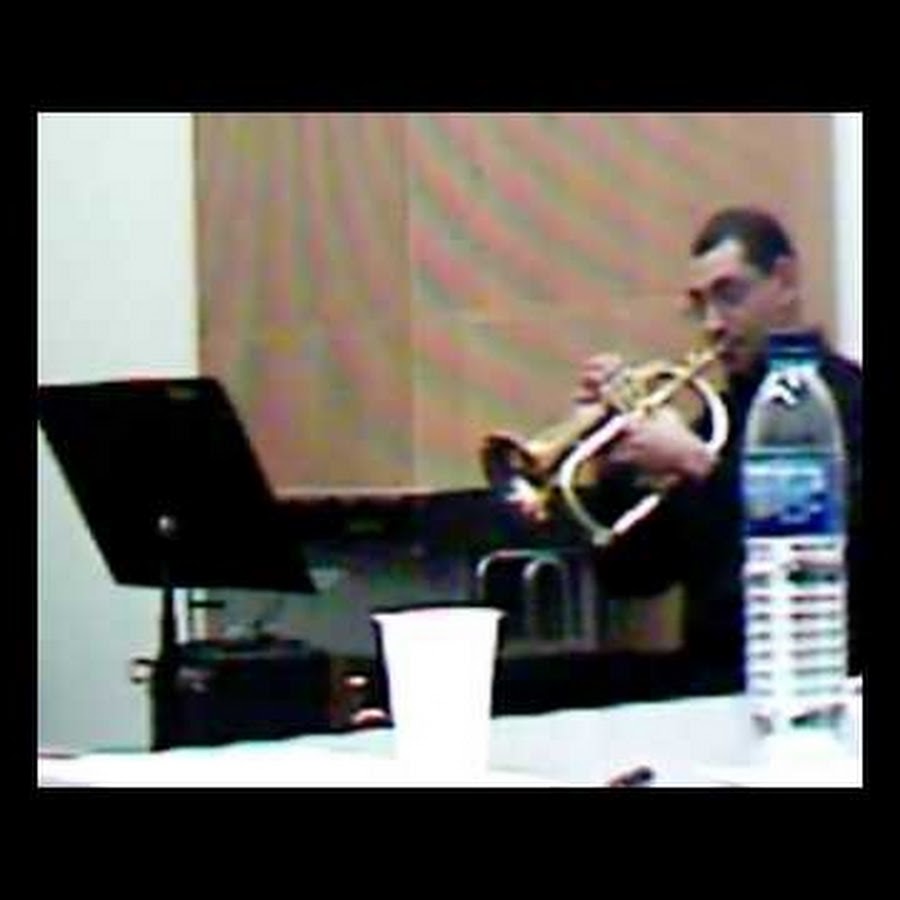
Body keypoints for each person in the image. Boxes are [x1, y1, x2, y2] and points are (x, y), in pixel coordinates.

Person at [576, 206, 862, 699]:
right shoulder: (716, 422)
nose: (712, 323)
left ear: (785, 281)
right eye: (700, 303)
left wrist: (699, 467)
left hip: (819, 681)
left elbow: (835, 552)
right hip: (712, 686)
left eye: (730, 295)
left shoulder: (848, 400)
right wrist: (611, 458)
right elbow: (632, 577)